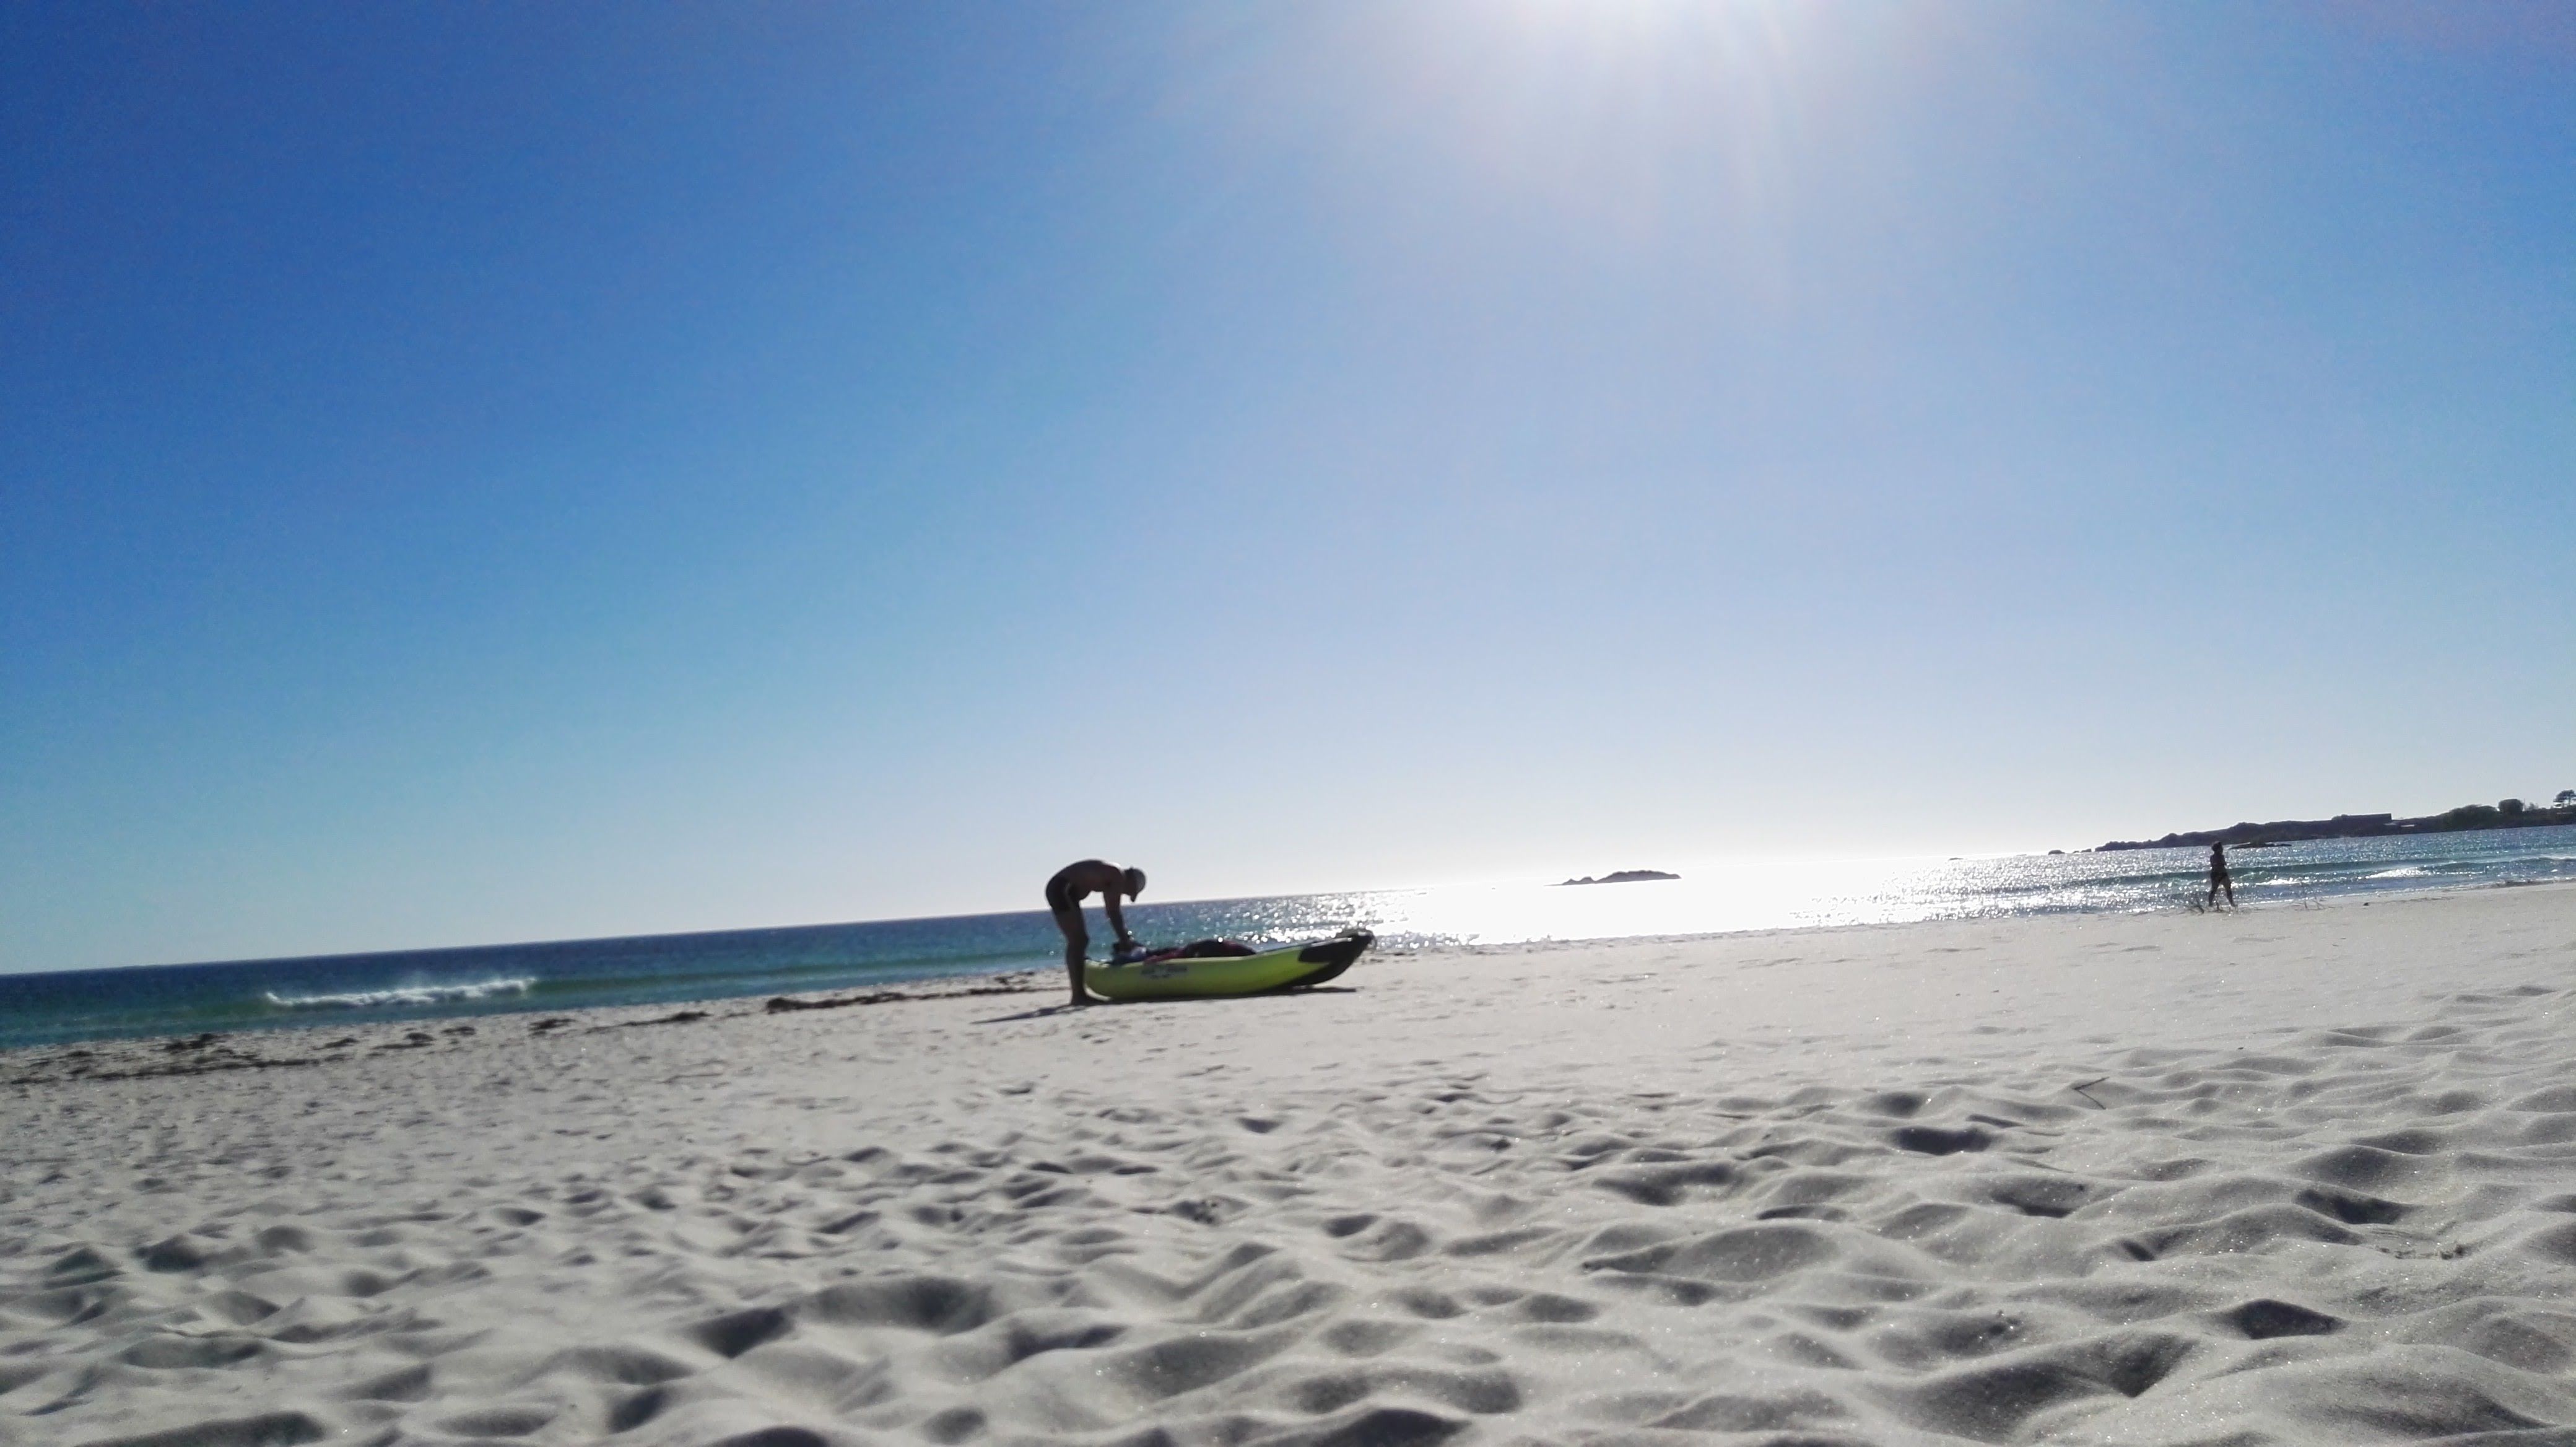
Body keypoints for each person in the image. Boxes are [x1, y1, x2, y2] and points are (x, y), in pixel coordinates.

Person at [1045, 860, 1146, 1006]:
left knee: (1079, 940)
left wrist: (1125, 938)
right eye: (1129, 891)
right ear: (1130, 881)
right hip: (1062, 888)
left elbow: (1111, 911)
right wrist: (1125, 940)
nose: (1125, 893)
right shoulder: (1117, 875)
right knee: (1078, 940)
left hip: (1063, 889)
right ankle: (1078, 996)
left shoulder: (1112, 876)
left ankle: (1079, 994)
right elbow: (1114, 912)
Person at [2206, 842, 2235, 909]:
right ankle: (2232, 903)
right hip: (2221, 874)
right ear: (2218, 849)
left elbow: (2214, 865)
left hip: (2215, 874)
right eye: (2221, 848)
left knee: (2214, 890)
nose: (2222, 849)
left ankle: (2210, 904)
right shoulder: (2221, 857)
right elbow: (2223, 864)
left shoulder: (2212, 857)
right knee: (2228, 889)